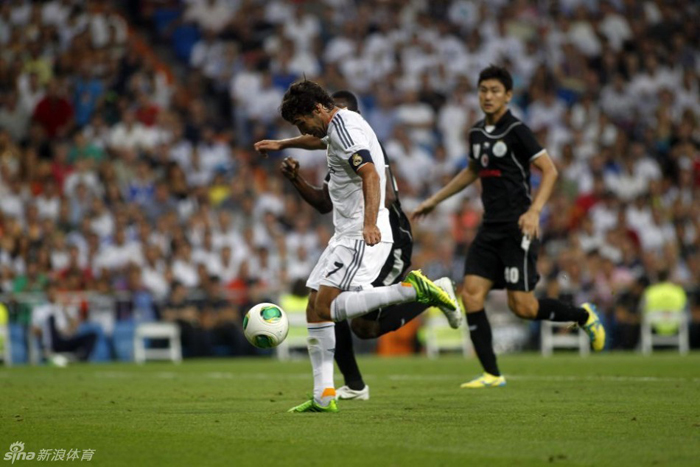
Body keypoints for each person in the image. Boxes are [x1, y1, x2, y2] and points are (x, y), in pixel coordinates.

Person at [257, 80, 457, 412]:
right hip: (344, 232)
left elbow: (371, 175)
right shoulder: (339, 123)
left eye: (301, 121)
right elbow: (319, 141)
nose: (302, 129)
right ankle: (324, 395)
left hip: (359, 232)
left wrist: (368, 223)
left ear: (318, 110)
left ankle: (413, 292)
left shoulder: (345, 130)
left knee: (329, 308)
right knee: (314, 307)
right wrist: (283, 143)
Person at [413, 65, 606, 388]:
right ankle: (491, 373)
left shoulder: (517, 130)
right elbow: (473, 170)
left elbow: (550, 170)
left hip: (518, 227)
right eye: (483, 90)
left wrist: (534, 212)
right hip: (490, 229)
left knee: (524, 307)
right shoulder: (476, 132)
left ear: (508, 95)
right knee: (471, 296)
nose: (488, 96)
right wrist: (436, 199)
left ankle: (583, 316)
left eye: (494, 91)